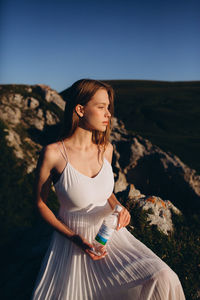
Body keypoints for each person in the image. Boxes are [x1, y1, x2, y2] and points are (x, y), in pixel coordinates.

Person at [31, 79, 185, 299]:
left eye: (108, 108)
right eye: (101, 107)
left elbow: (104, 192)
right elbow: (39, 203)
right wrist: (75, 239)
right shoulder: (54, 153)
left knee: (164, 277)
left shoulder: (107, 149)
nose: (108, 114)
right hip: (73, 243)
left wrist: (120, 207)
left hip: (111, 238)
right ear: (80, 109)